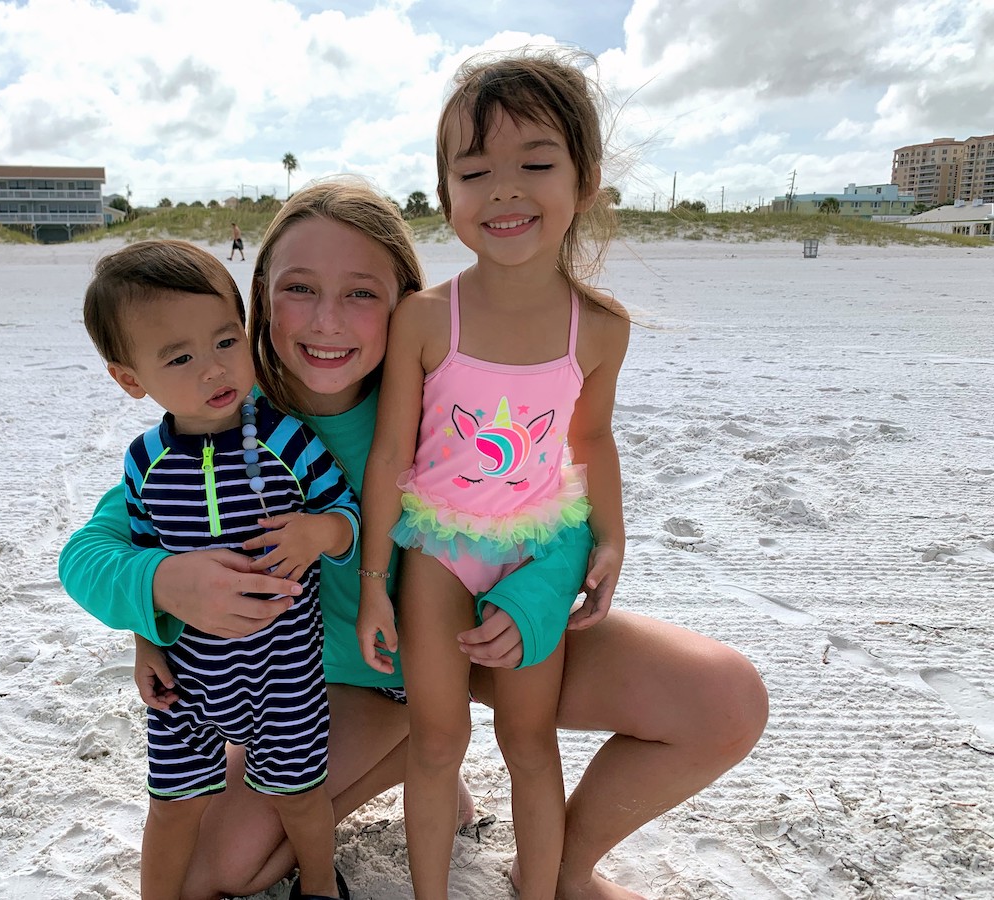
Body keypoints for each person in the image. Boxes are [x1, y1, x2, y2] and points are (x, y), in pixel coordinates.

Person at [59, 177, 769, 900]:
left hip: (486, 641)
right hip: (346, 686)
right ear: (261, 296)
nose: (328, 321)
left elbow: (552, 489)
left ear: (407, 302)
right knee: (215, 870)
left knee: (723, 702)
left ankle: (559, 866)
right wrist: (161, 588)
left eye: (362, 294)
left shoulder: (451, 394)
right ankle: (424, 755)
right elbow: (90, 552)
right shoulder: (232, 425)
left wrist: (538, 588)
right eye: (299, 289)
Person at [355, 49, 630, 900]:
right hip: (437, 547)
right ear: (447, 197)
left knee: (530, 742)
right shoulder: (428, 318)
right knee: (437, 743)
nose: (505, 190)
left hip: (535, 549)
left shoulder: (602, 328)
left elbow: (595, 442)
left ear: (583, 181)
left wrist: (613, 538)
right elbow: (390, 457)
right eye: (476, 172)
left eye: (535, 164)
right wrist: (374, 583)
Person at [82, 239, 359, 900]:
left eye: (226, 341)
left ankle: (319, 886)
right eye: (180, 357)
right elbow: (143, 558)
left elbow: (349, 515)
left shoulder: (286, 439)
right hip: (186, 679)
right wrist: (146, 639)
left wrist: (318, 531)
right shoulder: (144, 462)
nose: (214, 369)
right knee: (174, 806)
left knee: (300, 797)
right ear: (130, 378)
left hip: (283, 675)